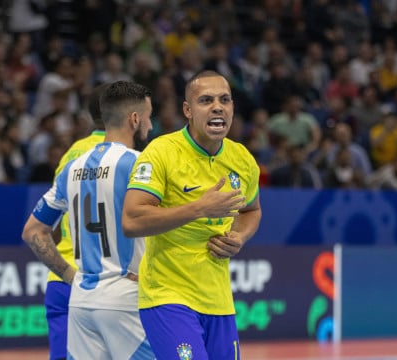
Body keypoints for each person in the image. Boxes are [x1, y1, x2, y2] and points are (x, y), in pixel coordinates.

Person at [122, 70, 262, 359]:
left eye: (225, 100)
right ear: (188, 110)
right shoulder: (161, 152)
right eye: (206, 100)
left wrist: (239, 236)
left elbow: (251, 209)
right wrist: (199, 208)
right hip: (168, 296)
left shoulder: (242, 160)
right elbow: (132, 220)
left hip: (219, 301)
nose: (217, 107)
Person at [22, 81, 155, 359]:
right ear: (134, 119)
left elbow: (33, 231)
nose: (150, 125)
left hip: (82, 299)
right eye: (148, 117)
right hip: (125, 297)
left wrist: (70, 275)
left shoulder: (72, 165)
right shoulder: (139, 164)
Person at [42, 82, 109, 360]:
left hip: (61, 277)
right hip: (104, 281)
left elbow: (51, 223)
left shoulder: (71, 153)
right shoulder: (128, 156)